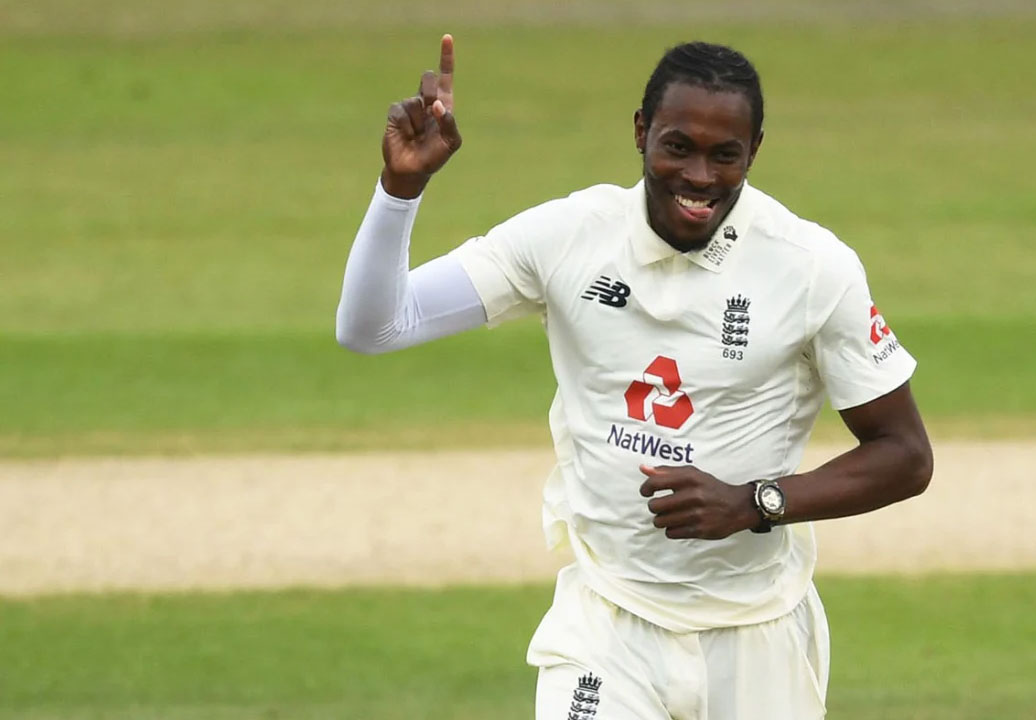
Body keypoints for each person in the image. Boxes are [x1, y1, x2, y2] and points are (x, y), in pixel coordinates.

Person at [337, 34, 933, 720]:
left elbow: (905, 455)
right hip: (607, 626)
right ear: (641, 131)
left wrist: (755, 503)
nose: (700, 177)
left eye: (725, 155)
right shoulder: (569, 235)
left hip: (758, 635)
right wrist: (401, 189)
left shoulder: (812, 267)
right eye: (678, 146)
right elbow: (373, 326)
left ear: (755, 151)